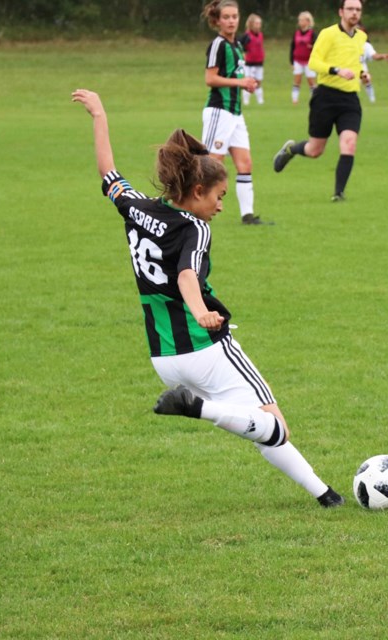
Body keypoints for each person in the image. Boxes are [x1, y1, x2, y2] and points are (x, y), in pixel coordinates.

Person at [71, 88, 345, 509]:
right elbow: (186, 274)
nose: (220, 206)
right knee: (275, 426)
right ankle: (198, 410)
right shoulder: (194, 229)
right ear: (198, 190)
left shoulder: (139, 207)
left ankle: (326, 495)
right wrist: (201, 312)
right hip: (207, 346)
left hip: (164, 357)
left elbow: (109, 175)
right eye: (219, 197)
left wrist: (99, 115)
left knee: (257, 426)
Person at [272, 0, 368, 202]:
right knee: (315, 150)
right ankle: (291, 149)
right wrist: (337, 70)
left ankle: (338, 194)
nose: (354, 13)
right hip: (325, 97)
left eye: (358, 9)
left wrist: (363, 74)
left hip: (350, 100)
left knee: (349, 144)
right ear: (341, 11)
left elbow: (356, 64)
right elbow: (314, 62)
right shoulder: (328, 34)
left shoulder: (362, 37)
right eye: (350, 9)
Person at [201, 0, 270, 226]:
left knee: (245, 163)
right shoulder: (217, 45)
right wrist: (240, 82)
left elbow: (235, 77)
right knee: (212, 163)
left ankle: (247, 216)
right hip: (219, 112)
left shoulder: (238, 45)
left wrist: (247, 84)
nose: (231, 21)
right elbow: (210, 79)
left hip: (235, 113)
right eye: (226, 17)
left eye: (234, 16)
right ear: (218, 20)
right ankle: (196, 212)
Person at [289, 11, 318, 104]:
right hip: (298, 60)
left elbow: (317, 46)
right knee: (297, 80)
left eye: (302, 20)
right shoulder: (296, 33)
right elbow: (292, 47)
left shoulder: (312, 33)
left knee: (311, 81)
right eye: (299, 20)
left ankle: (314, 99)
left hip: (309, 61)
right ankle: (294, 100)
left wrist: (312, 46)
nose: (300, 22)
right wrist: (291, 61)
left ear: (308, 22)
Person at [358, 23, 388, 103]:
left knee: (367, 78)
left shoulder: (366, 45)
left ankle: (372, 100)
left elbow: (374, 56)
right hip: (348, 68)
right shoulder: (346, 43)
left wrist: (382, 56)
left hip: (361, 68)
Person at [238, 13, 265, 106]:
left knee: (258, 81)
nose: (258, 26)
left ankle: (260, 101)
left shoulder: (260, 35)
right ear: (251, 24)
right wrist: (244, 52)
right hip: (249, 63)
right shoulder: (247, 36)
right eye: (256, 23)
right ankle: (246, 101)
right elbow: (239, 46)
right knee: (248, 82)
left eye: (259, 23)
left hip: (259, 62)